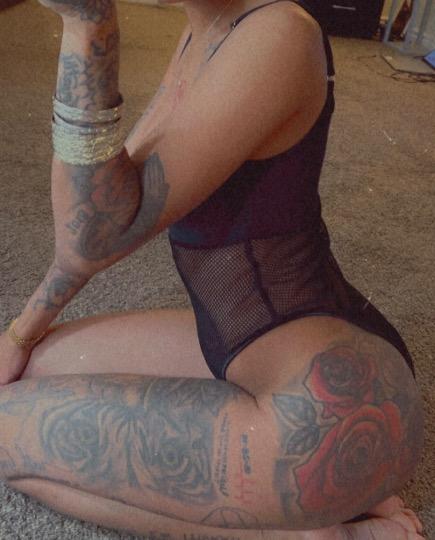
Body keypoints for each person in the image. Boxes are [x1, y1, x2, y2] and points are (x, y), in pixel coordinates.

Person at [0, 0, 425, 538]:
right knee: (33, 370)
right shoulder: (206, 26)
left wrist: (87, 24)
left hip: (324, 418)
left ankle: (312, 532)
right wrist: (20, 334)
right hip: (250, 341)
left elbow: (93, 237)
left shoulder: (279, 35)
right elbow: (105, 211)